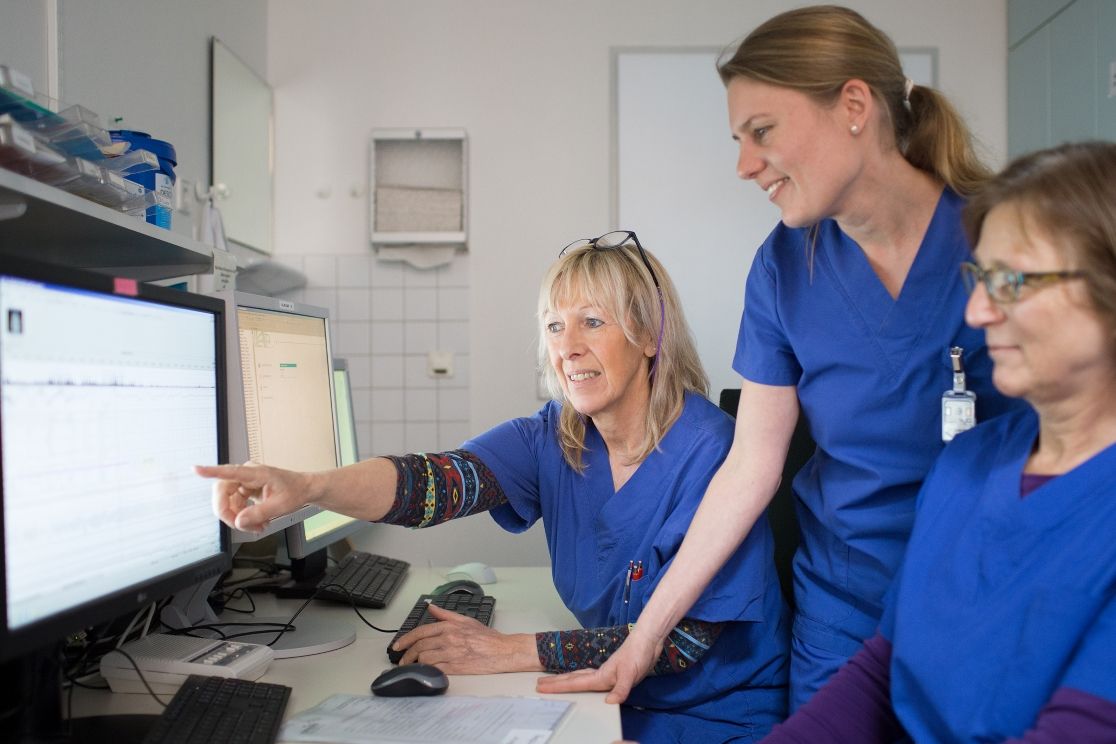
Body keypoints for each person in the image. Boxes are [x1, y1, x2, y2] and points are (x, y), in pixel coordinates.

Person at [539, 5, 1023, 711]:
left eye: (762, 132)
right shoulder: (784, 267)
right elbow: (751, 465)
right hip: (844, 608)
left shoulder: (1001, 238)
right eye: (739, 139)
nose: (743, 166)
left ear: (854, 106)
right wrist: (642, 638)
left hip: (985, 596)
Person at [199, 234, 789, 744]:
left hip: (713, 717)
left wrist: (514, 650)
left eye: (592, 321)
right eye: (555, 325)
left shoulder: (711, 450)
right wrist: (309, 486)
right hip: (614, 700)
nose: (568, 346)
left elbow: (683, 643)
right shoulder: (553, 437)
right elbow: (429, 483)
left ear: (650, 336)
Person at [762, 141, 1116, 742]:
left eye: (1011, 281)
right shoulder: (968, 462)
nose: (976, 312)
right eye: (980, 277)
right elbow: (882, 671)